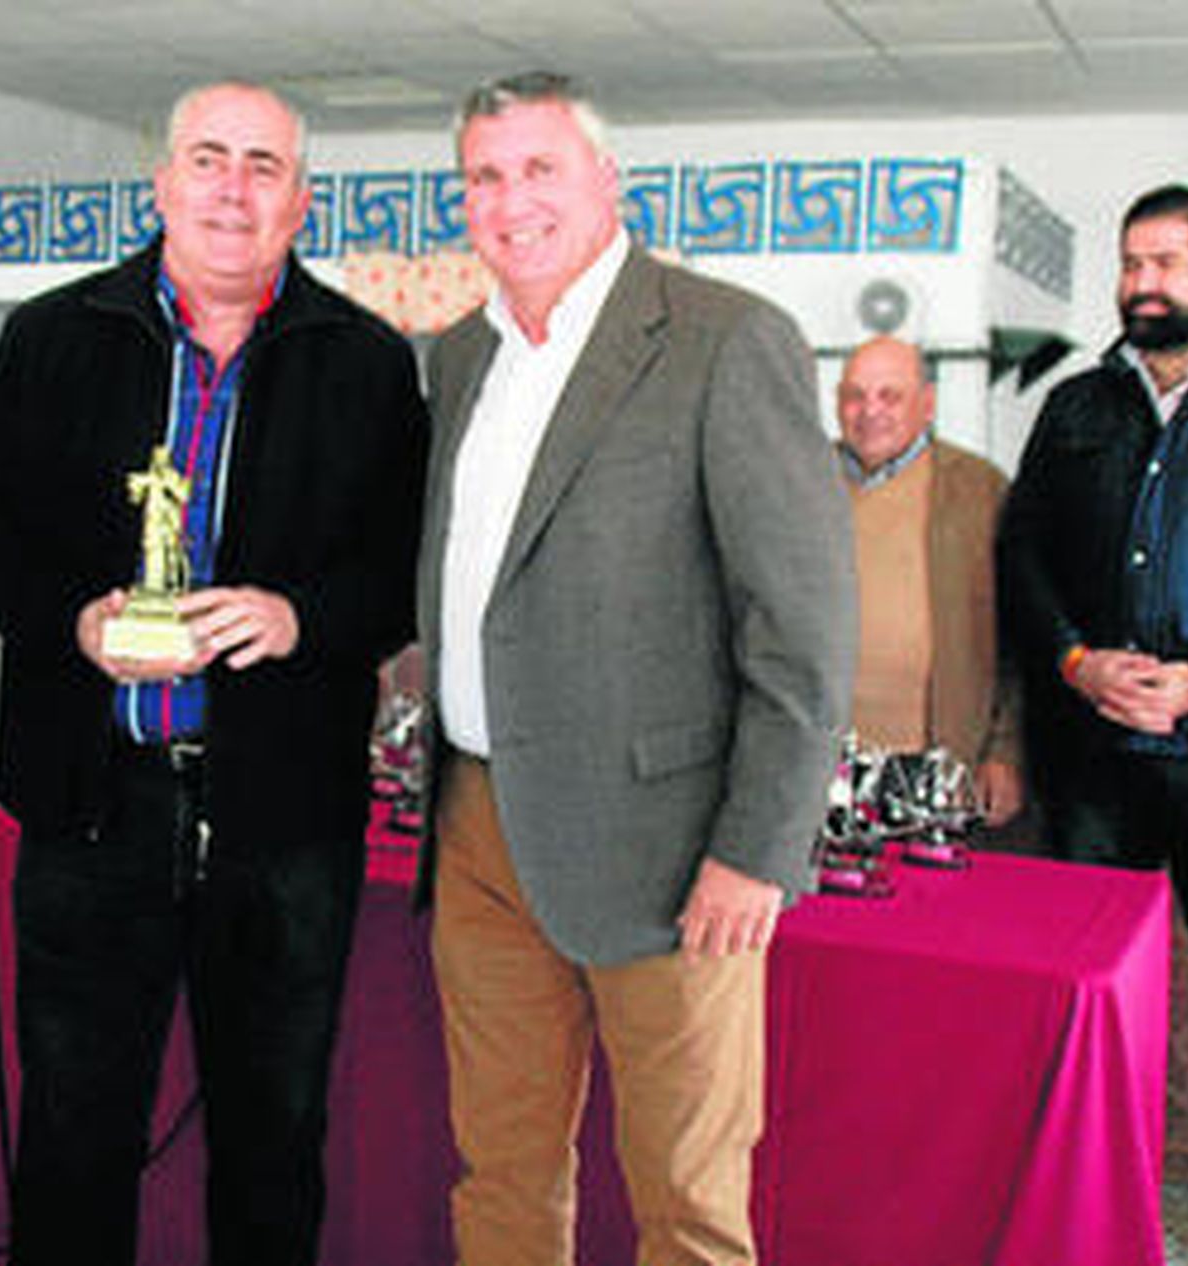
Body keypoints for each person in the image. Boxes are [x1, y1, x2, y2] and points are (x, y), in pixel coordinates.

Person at [0, 82, 427, 1266]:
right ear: (162, 184)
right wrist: (70, 618)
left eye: (263, 165)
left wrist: (301, 619)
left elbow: (409, 566)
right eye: (208, 158)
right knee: (73, 1133)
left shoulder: (365, 363)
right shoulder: (54, 337)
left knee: (273, 1140)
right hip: (92, 807)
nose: (232, 189)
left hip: (285, 823)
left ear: (301, 201)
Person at [417, 72, 856, 1266]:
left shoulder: (725, 339)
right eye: (485, 176)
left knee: (687, 1201)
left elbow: (802, 630)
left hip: (670, 848)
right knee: (500, 1171)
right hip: (477, 826)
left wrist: (756, 850)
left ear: (608, 181)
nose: (511, 200)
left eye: (540, 168)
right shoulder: (458, 359)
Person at [999, 183, 1188, 1266]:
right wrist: (1076, 662)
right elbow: (1020, 553)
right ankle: (1090, 1189)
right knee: (1084, 983)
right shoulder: (1076, 407)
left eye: (1164, 263)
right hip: (1093, 750)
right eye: (1129, 264)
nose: (1142, 285)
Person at [835, 335, 1022, 827]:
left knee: (924, 876)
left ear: (928, 404)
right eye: (855, 395)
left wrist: (1006, 750)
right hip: (822, 764)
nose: (869, 411)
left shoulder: (980, 489)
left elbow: (1021, 634)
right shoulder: (799, 481)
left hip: (937, 763)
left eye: (889, 396)